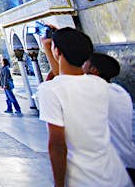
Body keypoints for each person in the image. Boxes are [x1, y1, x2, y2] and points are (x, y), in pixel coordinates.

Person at [37, 28, 129, 187]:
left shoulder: (50, 90)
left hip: (83, 178)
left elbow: (57, 145)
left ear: (57, 52)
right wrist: (69, 40)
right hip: (115, 175)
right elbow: (69, 82)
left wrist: (59, 184)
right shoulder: (100, 84)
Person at [82, 53, 135, 183]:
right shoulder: (120, 91)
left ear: (93, 70)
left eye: (84, 64)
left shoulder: (94, 90)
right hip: (128, 161)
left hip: (112, 167)